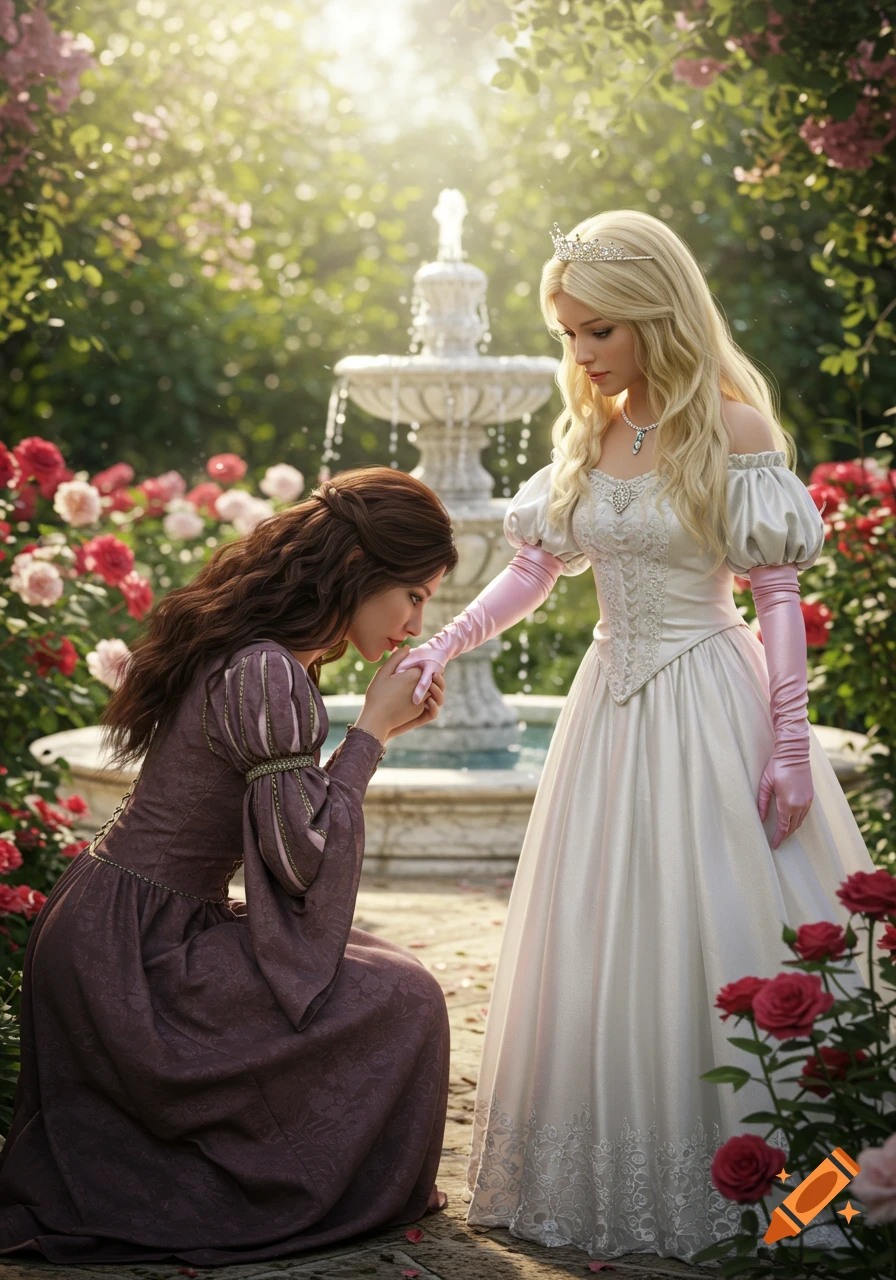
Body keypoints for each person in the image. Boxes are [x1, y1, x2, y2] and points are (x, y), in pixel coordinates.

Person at [397, 211, 878, 1262]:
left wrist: (789, 746)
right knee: (602, 929)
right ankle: (613, 1175)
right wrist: (443, 642)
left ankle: (796, 1187)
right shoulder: (594, 427)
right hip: (603, 713)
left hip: (708, 697)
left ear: (655, 313)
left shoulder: (733, 425)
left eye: (596, 331)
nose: (579, 354)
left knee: (717, 912)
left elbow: (777, 598)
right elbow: (534, 567)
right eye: (568, 333)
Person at [0, 466, 457, 1267]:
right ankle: (292, 1187)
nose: (419, 619)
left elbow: (284, 844)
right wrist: (371, 735)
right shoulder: (269, 669)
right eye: (413, 594)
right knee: (405, 997)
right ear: (357, 571)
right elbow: (300, 860)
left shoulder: (270, 657)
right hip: (136, 954)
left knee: (379, 967)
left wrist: (369, 733)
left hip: (118, 919)